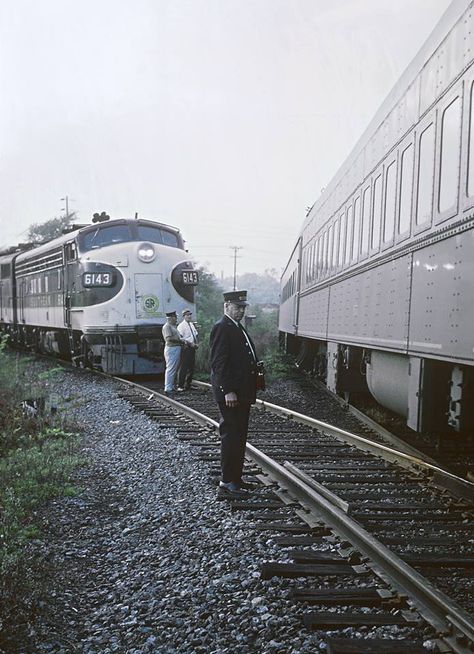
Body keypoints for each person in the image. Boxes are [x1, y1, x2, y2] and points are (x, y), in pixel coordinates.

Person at [209, 290, 260, 498]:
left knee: (239, 436)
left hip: (241, 392)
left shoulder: (236, 326)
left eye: (243, 307)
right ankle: (227, 481)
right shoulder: (222, 327)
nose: (241, 310)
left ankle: (236, 479)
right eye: (237, 307)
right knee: (231, 436)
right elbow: (218, 363)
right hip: (231, 394)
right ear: (226, 306)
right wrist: (227, 390)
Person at [162, 311, 184, 394]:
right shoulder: (167, 327)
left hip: (176, 348)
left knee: (174, 368)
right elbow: (168, 339)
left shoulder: (173, 326)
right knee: (171, 368)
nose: (176, 319)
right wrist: (180, 340)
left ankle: (171, 386)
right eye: (175, 317)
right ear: (170, 318)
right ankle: (168, 387)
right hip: (172, 348)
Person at [177, 309, 199, 391]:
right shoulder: (181, 326)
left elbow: (195, 335)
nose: (189, 316)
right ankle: (180, 385)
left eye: (190, 315)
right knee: (184, 367)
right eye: (187, 315)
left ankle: (188, 384)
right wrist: (190, 343)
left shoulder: (191, 324)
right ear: (184, 316)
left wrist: (196, 343)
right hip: (186, 348)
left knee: (191, 367)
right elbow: (180, 338)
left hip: (192, 348)